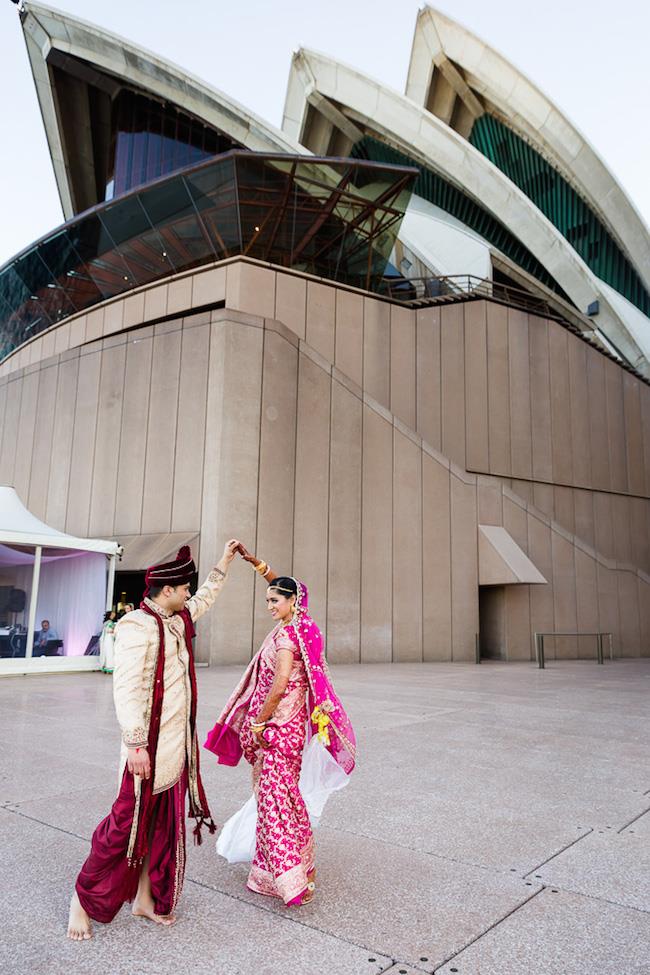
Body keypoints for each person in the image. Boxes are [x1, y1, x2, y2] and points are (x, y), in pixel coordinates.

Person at [66, 539, 240, 941]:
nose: (188, 595)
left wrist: (225, 562)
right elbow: (126, 689)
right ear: (167, 591)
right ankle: (82, 897)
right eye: (184, 589)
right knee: (124, 826)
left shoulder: (177, 618)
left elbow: (205, 599)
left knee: (162, 829)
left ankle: (144, 899)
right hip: (146, 750)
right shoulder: (137, 626)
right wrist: (134, 745)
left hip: (176, 751)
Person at [204, 544, 356, 906]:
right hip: (292, 730)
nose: (270, 605)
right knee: (287, 798)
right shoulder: (304, 626)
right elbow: (290, 586)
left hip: (275, 731)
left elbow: (281, 680)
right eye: (268, 600)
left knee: (273, 803)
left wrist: (258, 722)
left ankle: (291, 883)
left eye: (275, 600)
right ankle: (301, 866)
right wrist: (258, 565)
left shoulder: (288, 637)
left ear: (291, 602)